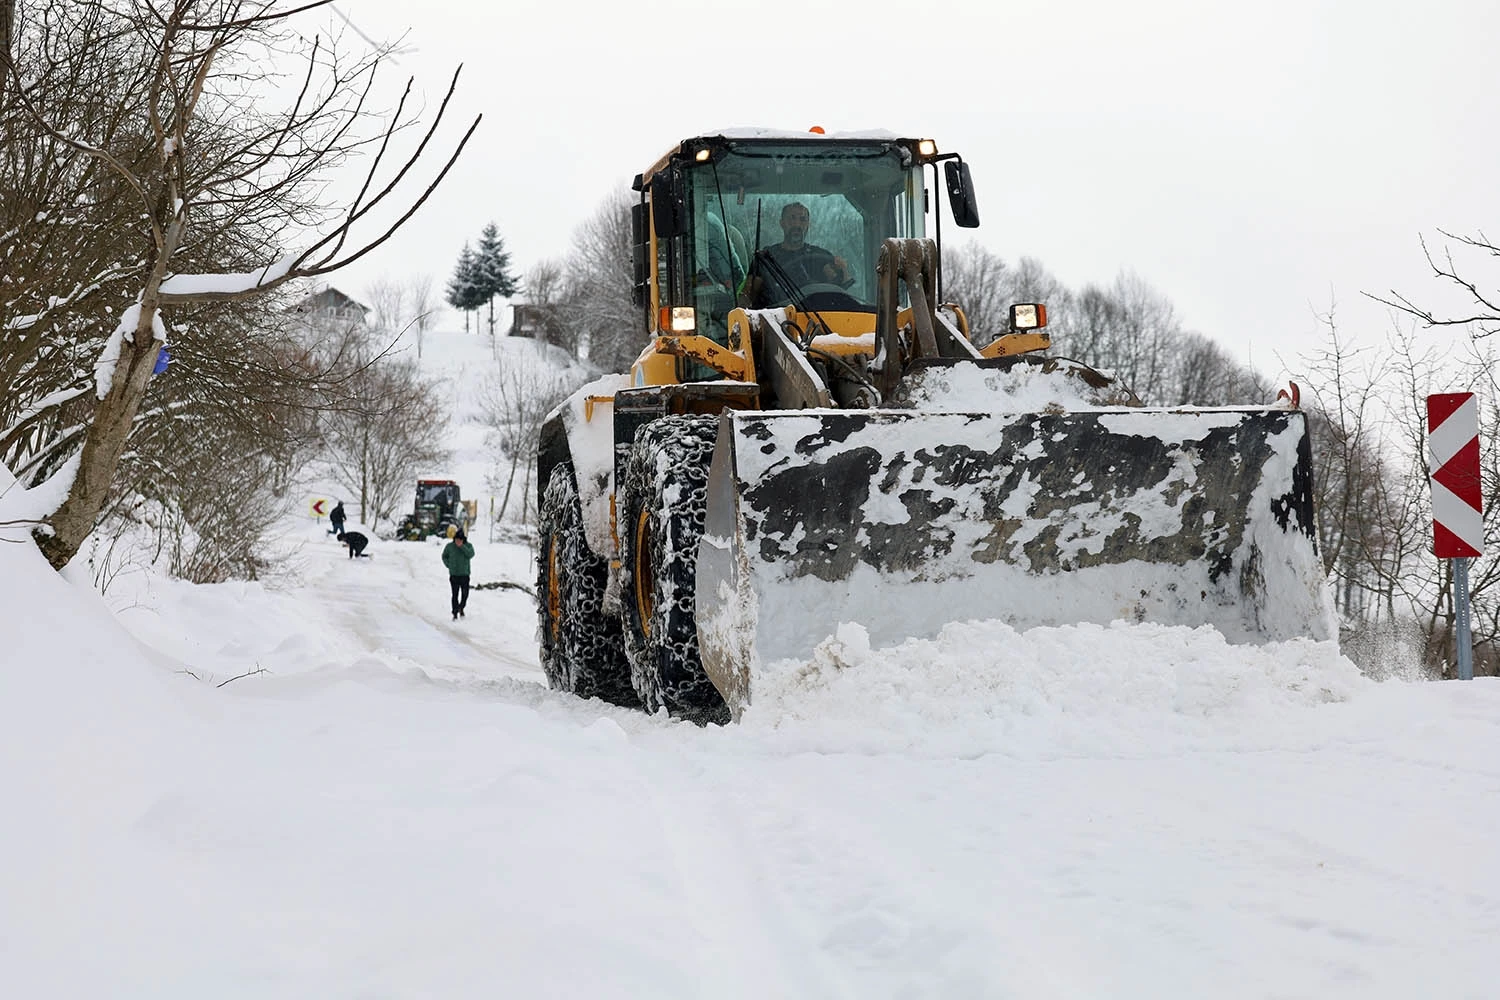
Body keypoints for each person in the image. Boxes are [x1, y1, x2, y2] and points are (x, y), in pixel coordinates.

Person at [743, 201, 852, 306]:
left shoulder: (822, 258)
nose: (797, 224)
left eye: (802, 219)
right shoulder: (766, 260)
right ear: (782, 223)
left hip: (817, 321)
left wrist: (842, 270)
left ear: (808, 225)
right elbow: (746, 297)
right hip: (773, 321)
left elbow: (840, 293)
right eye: (792, 218)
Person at [442, 528, 475, 620]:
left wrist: (462, 546)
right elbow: (444, 556)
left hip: (465, 574)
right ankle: (455, 612)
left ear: (463, 539)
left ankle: (461, 607)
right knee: (455, 594)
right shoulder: (450, 546)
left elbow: (470, 554)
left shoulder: (468, 546)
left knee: (465, 594)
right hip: (454, 574)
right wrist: (449, 565)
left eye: (460, 540)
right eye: (456, 539)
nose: (458, 541)